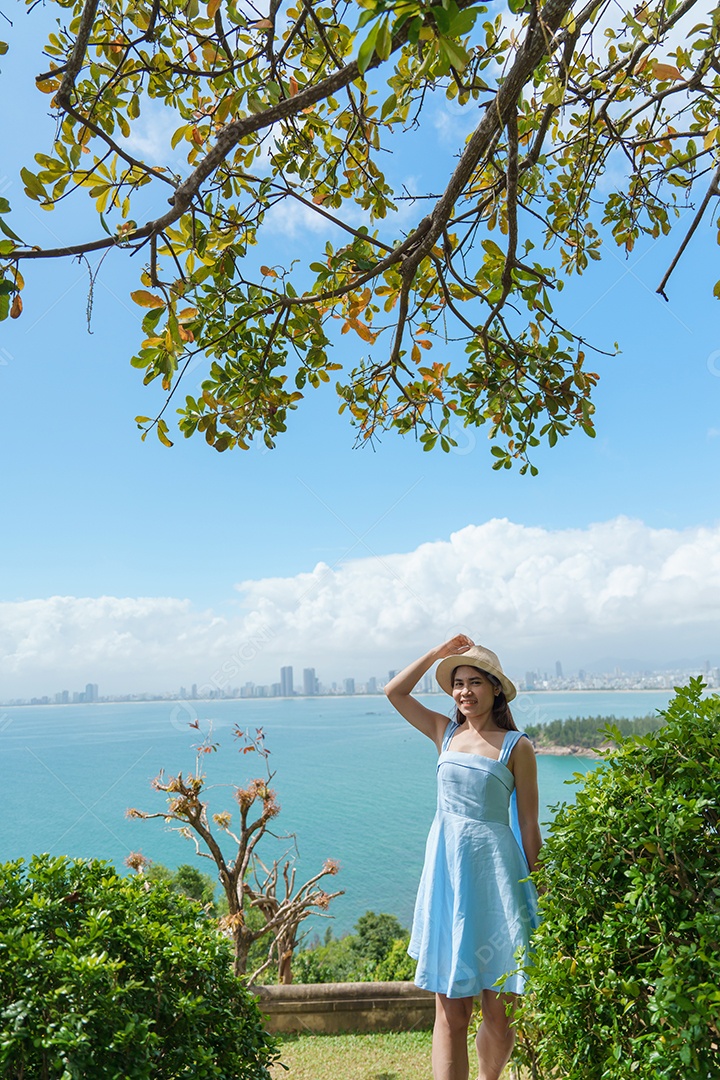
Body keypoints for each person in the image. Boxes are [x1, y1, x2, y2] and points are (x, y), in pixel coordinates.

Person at [385, 634, 541, 1080]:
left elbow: (528, 825)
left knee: (499, 1014)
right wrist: (438, 654)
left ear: (496, 689)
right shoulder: (444, 733)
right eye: (457, 683)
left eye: (474, 681)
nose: (464, 691)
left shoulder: (517, 746)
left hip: (497, 881)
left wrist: (541, 887)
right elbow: (394, 692)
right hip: (447, 878)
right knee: (451, 1015)